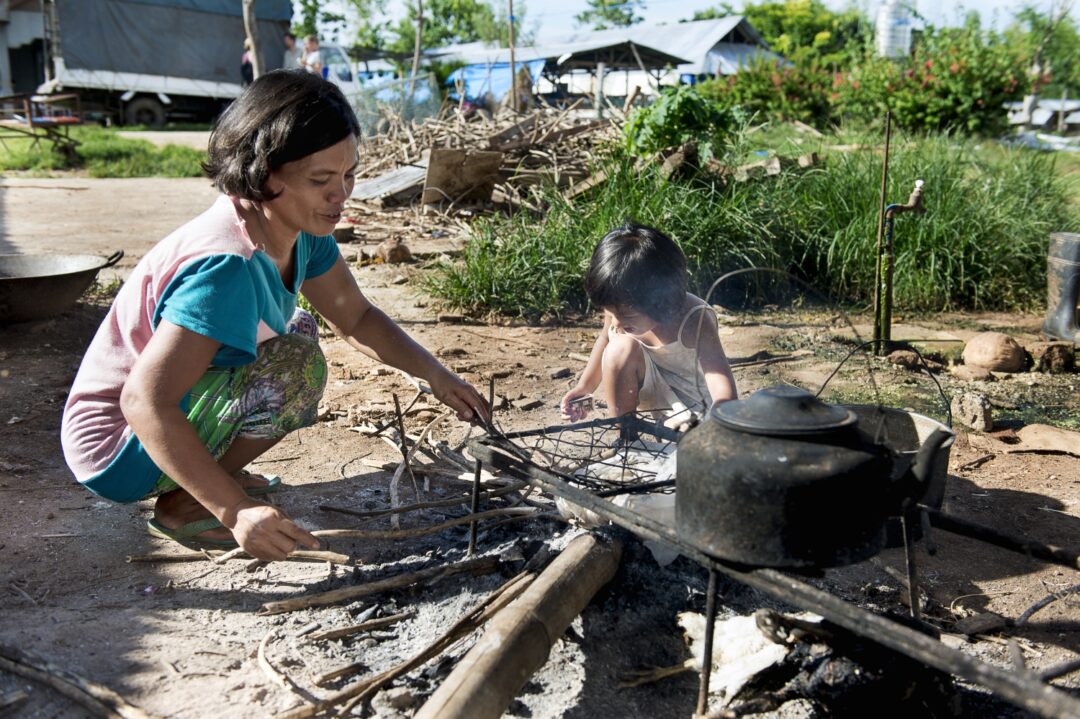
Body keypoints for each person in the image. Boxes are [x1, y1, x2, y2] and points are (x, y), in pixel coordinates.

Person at [60, 70, 489, 562]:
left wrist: (435, 374)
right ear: (265, 175)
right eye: (321, 180)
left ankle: (204, 478)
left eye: (348, 174)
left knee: (299, 334)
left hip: (156, 416)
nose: (341, 194)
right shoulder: (225, 267)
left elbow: (355, 318)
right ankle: (186, 502)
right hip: (117, 448)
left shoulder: (301, 230)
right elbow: (143, 402)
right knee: (296, 363)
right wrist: (235, 510)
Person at [559, 223, 737, 423]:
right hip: (646, 402)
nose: (616, 323)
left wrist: (723, 414)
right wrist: (584, 387)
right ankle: (625, 437)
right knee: (619, 348)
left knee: (694, 445)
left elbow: (718, 378)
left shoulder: (694, 319)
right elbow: (604, 341)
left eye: (627, 316)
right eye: (610, 313)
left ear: (660, 301)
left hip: (692, 410)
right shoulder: (619, 308)